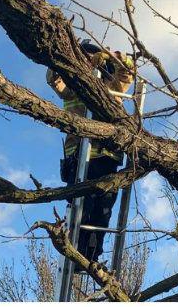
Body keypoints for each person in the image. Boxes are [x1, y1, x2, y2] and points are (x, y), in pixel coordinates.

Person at [46, 40, 134, 264]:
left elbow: (128, 70)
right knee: (79, 210)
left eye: (89, 57)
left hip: (105, 156)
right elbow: (53, 78)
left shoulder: (112, 87)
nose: (86, 61)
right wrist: (66, 56)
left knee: (102, 210)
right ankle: (76, 252)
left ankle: (92, 254)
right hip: (77, 158)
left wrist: (109, 55)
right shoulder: (71, 88)